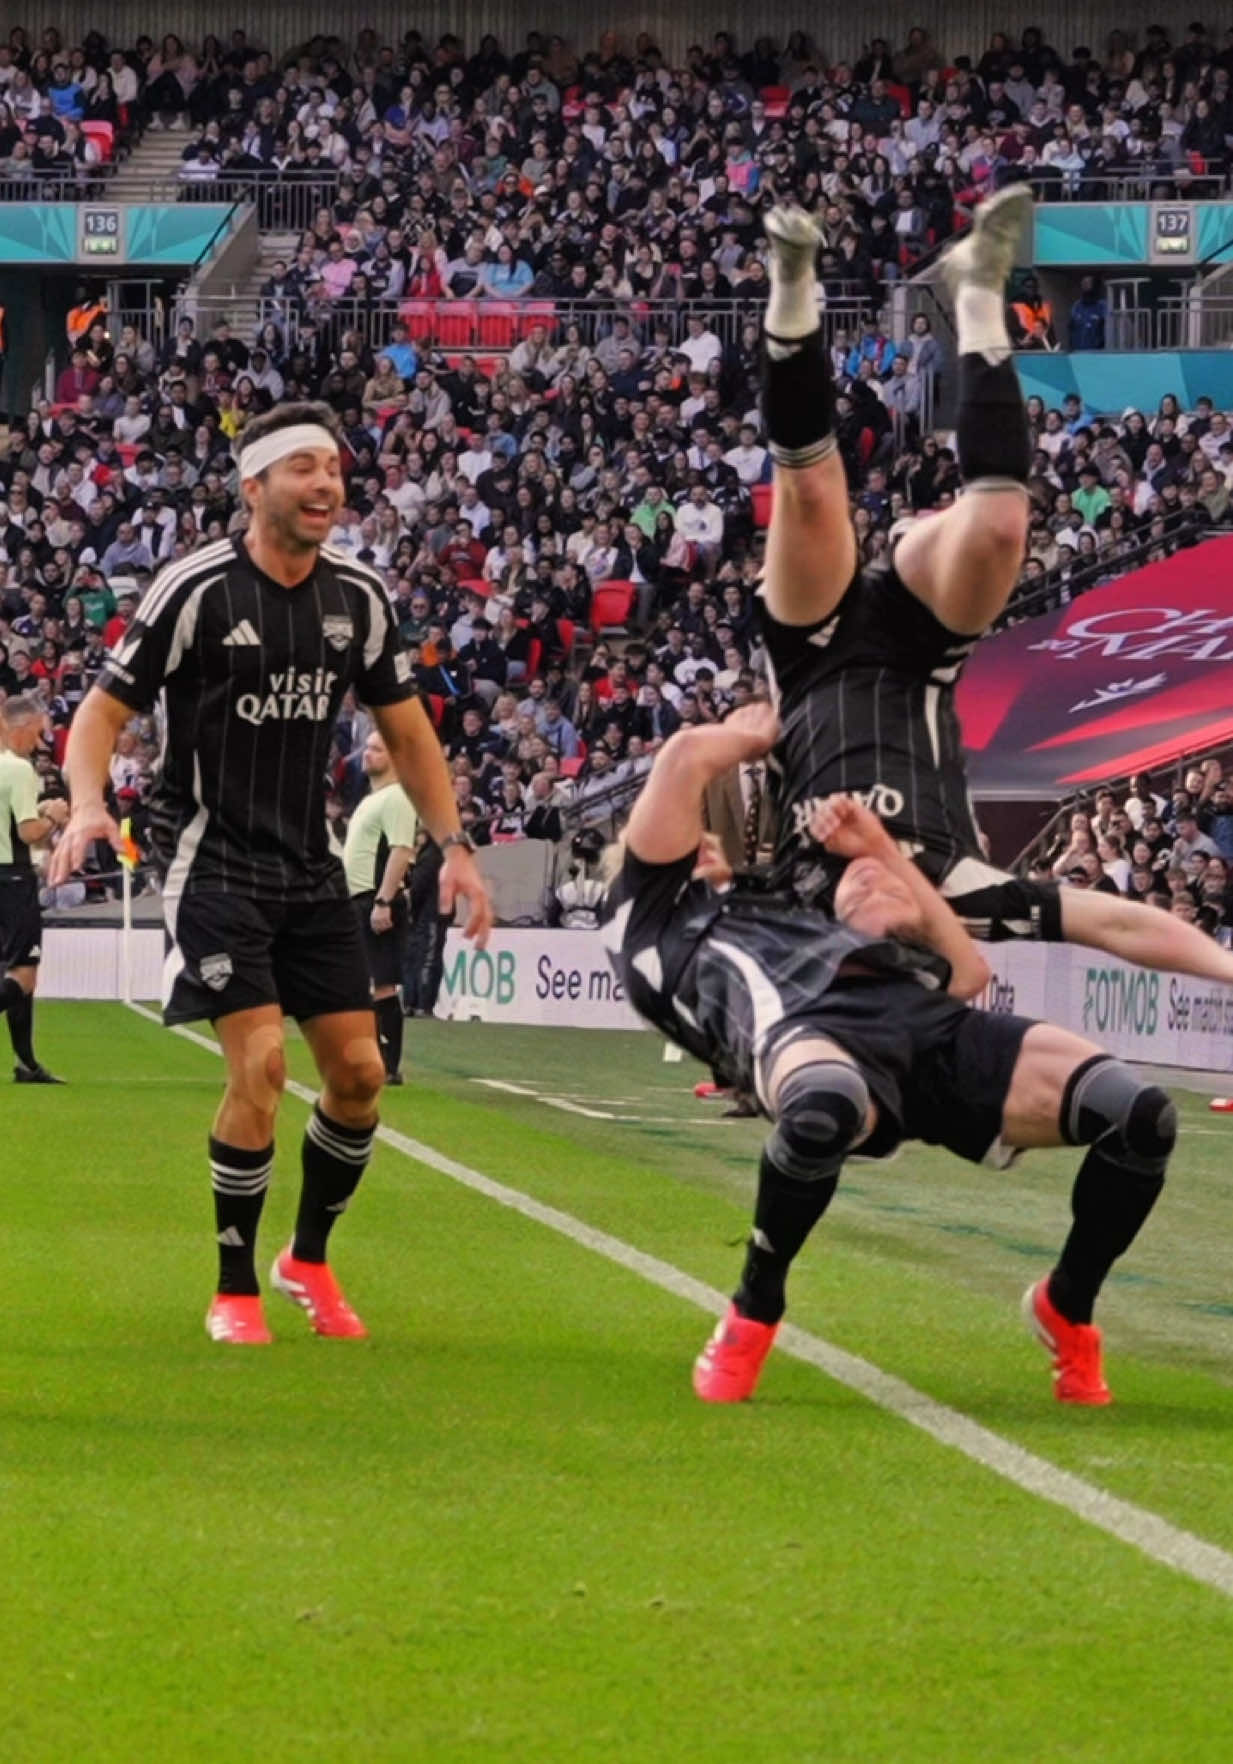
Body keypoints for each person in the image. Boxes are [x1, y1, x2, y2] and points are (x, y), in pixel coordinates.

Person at [49, 401, 493, 1346]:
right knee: (261, 1065)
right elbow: (99, 714)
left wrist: (456, 845)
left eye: (333, 467)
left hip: (309, 868)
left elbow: (407, 732)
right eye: (303, 468)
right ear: (254, 487)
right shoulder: (196, 589)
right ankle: (235, 1286)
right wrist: (89, 802)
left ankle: (309, 1257)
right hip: (208, 865)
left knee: (363, 1076)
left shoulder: (359, 598)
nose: (326, 483)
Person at [603, 706, 1175, 1408]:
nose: (703, 844)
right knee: (822, 1111)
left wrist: (881, 849)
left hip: (919, 1025)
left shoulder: (789, 910)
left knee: (1138, 1117)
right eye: (692, 842)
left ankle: (1067, 1304)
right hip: (806, 1031)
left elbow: (965, 976)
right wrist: (762, 735)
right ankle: (754, 1308)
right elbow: (687, 754)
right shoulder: (652, 912)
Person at [753, 196, 1233, 988]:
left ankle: (791, 285)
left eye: (860, 912)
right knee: (1004, 522)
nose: (873, 891)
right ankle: (978, 294)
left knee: (809, 490)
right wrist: (1224, 969)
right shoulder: (969, 897)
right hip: (921, 652)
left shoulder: (793, 902)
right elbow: (1112, 921)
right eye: (894, 915)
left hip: (809, 654)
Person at [342, 730, 418, 1086]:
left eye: (376, 749)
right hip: (361, 898)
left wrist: (384, 900)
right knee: (366, 982)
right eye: (367, 748)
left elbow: (401, 850)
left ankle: (387, 1064)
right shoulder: (372, 799)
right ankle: (371, 1056)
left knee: (382, 984)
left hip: (376, 898)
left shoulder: (396, 798)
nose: (366, 754)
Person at [0, 693, 69, 1082]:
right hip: (12, 877)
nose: (40, 741)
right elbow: (28, 833)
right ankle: (26, 1063)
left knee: (12, 970)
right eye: (39, 732)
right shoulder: (20, 769)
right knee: (24, 974)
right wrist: (55, 817)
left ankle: (26, 1063)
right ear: (22, 727)